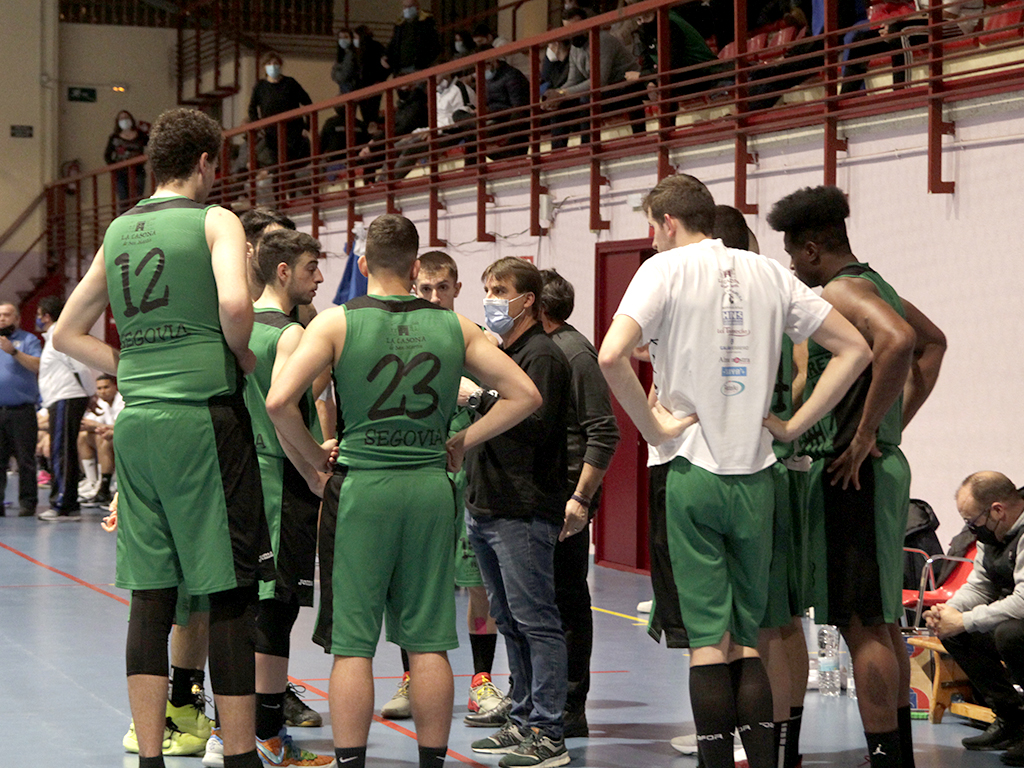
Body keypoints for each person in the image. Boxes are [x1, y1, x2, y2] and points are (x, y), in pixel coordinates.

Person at [598, 174, 871, 768]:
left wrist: (653, 428)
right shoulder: (770, 271)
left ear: (668, 221)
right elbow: (856, 348)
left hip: (691, 470)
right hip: (757, 475)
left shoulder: (662, 270)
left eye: (652, 226)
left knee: (706, 645)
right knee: (748, 638)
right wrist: (795, 425)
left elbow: (611, 354)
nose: (653, 237)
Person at [266, 214, 541, 768]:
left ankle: (351, 762)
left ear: (364, 264)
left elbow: (278, 402)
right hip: (428, 489)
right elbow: (524, 394)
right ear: (416, 268)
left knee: (353, 645)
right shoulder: (455, 326)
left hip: (363, 490)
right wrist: (462, 439)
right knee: (429, 640)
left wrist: (316, 461)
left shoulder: (336, 323)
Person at [52, 106, 273, 768]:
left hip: (140, 422)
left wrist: (132, 363)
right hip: (203, 416)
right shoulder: (216, 219)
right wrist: (241, 354)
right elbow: (237, 306)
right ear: (207, 163)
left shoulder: (119, 229)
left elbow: (65, 332)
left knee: (151, 595)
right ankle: (238, 757)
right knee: (230, 592)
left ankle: (150, 757)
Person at [767, 184, 945, 768]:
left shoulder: (843, 290)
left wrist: (869, 431)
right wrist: (893, 423)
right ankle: (896, 756)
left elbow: (899, 343)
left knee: (861, 624)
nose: (792, 266)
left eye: (794, 255)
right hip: (875, 467)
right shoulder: (876, 281)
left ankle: (885, 758)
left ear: (813, 248)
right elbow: (932, 344)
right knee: (880, 622)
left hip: (853, 470)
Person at [375, 251, 507, 724]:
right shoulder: (401, 340)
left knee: (478, 585)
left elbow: (512, 407)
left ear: (456, 289)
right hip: (419, 474)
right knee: (411, 582)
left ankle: (481, 680)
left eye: (443, 288)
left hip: (471, 480)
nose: (434, 297)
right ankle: (411, 677)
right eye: (425, 289)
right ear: (414, 289)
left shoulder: (478, 341)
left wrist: (475, 398)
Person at [465, 257, 573, 768]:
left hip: (524, 510)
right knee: (508, 620)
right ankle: (524, 716)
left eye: (500, 289)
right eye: (487, 288)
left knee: (537, 621)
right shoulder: (503, 353)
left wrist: (480, 397)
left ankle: (549, 731)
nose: (491, 298)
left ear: (526, 300)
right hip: (486, 504)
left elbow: (536, 426)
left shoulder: (543, 357)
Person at [242, 227, 334, 768]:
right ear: (283, 272)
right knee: (276, 615)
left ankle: (232, 731)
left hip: (239, 481)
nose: (318, 277)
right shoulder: (289, 335)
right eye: (309, 269)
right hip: (279, 485)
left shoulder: (234, 325)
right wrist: (317, 464)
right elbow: (281, 415)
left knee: (244, 609)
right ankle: (269, 736)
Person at [538, 269, 620, 738]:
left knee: (566, 601)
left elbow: (603, 430)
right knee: (536, 603)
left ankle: (571, 704)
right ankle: (539, 696)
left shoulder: (574, 353)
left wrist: (580, 498)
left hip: (564, 496)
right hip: (537, 494)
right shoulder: (537, 350)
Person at [928, 471, 1024, 765]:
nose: (970, 529)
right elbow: (979, 584)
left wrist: (965, 620)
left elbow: (1023, 602)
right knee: (956, 632)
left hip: (1018, 619)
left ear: (997, 510)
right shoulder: (993, 531)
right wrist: (949, 613)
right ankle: (1012, 721)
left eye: (972, 521)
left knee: (1010, 634)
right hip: (1012, 617)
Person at [542, 8, 646, 149]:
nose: (572, 33)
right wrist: (556, 95)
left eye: (576, 27)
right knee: (560, 105)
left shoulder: (602, 40)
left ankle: (587, 149)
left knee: (586, 99)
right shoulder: (575, 48)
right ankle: (557, 153)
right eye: (568, 29)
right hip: (606, 88)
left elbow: (599, 81)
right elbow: (573, 80)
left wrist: (562, 94)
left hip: (626, 85)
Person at [36, 295, 95, 522]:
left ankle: (63, 505)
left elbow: (80, 365)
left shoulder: (59, 336)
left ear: (47, 316)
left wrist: (89, 394)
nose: (38, 319)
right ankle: (66, 503)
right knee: (63, 450)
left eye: (39, 314)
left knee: (62, 451)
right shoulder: (53, 337)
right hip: (61, 399)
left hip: (67, 397)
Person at [0, 300, 42, 517]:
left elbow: (38, 366)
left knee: (25, 460)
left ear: (17, 319)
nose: (2, 319)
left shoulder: (28, 340)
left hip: (21, 410)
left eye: (7, 315)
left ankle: (28, 502)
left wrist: (13, 352)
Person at [248, 53, 313, 169]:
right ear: (264, 67)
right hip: (272, 134)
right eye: (269, 64)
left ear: (280, 65)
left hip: (294, 132)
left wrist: (307, 126)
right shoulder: (260, 87)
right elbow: (252, 109)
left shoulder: (290, 83)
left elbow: (307, 103)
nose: (272, 66)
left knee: (294, 165)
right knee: (277, 166)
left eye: (275, 63)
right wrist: (259, 126)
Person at [78, 373, 122, 506]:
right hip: (114, 434)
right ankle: (92, 482)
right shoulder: (100, 402)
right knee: (84, 437)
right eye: (99, 388)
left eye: (106, 387)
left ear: (115, 387)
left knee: (104, 438)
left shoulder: (121, 399)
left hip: (128, 437)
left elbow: (120, 426)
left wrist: (98, 426)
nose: (103, 391)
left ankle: (105, 487)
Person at [104, 110, 148, 212]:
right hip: (121, 173)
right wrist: (115, 166)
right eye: (122, 119)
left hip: (138, 171)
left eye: (126, 118)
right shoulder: (114, 137)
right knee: (123, 199)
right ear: (118, 122)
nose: (124, 120)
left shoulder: (140, 134)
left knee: (137, 198)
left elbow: (150, 142)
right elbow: (107, 155)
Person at [385, 0, 441, 76]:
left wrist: (427, 62)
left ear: (417, 7)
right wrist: (386, 55)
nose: (407, 9)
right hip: (401, 68)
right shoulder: (400, 25)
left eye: (410, 6)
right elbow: (394, 43)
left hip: (419, 66)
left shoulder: (426, 22)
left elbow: (434, 44)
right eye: (405, 7)